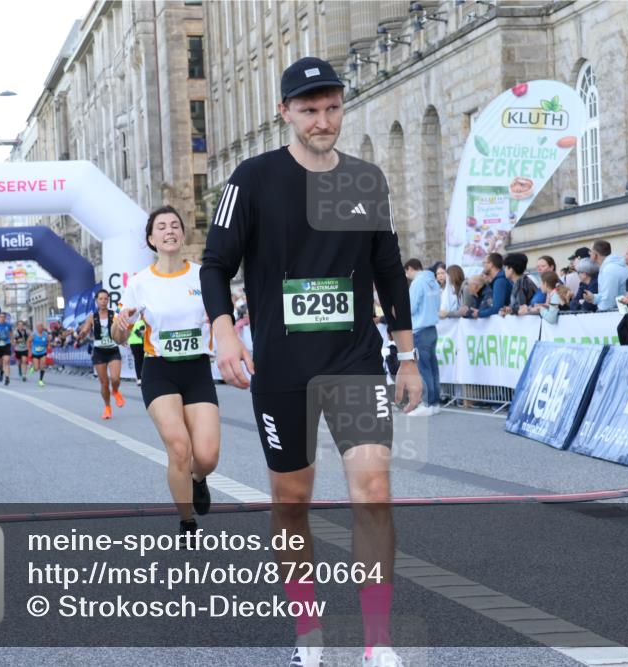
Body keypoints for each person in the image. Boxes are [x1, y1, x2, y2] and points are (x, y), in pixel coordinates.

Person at [200, 56, 419, 667]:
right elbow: (215, 263)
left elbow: (387, 273)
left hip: (353, 361)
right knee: (291, 503)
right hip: (285, 369)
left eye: (332, 108)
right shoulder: (253, 178)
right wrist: (225, 332)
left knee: (373, 490)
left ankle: (377, 642)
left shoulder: (364, 181)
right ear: (285, 113)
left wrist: (406, 357)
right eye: (309, 110)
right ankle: (309, 633)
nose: (324, 121)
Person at [113, 205, 220, 538]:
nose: (169, 230)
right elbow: (119, 335)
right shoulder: (140, 283)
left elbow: (221, 317)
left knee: (207, 456)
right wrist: (122, 323)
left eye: (175, 225)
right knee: (178, 447)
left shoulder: (203, 275)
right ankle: (187, 521)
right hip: (159, 370)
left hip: (198, 369)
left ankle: (198, 478)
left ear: (182, 234)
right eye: (161, 227)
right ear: (151, 239)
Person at [78, 289, 125, 419]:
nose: (103, 301)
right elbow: (86, 329)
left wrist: (123, 339)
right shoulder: (92, 317)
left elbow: (121, 330)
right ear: (96, 301)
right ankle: (107, 407)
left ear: (108, 300)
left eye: (105, 299)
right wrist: (82, 333)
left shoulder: (114, 315)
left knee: (115, 378)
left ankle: (115, 391)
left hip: (113, 350)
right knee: (104, 383)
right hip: (99, 352)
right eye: (101, 299)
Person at [405, 258, 441, 416]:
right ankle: (434, 402)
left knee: (423, 368)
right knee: (433, 368)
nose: (407, 276)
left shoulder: (417, 283)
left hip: (420, 328)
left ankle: (426, 403)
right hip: (432, 327)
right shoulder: (432, 281)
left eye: (407, 272)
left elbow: (411, 308)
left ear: (411, 268)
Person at [584, 240, 628, 310]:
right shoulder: (608, 267)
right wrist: (593, 298)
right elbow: (606, 295)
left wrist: (600, 315)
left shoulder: (609, 270)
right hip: (621, 313)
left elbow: (608, 301)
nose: (589, 254)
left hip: (619, 316)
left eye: (590, 251)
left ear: (595, 254)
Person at [471, 252, 511, 318]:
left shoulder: (499, 281)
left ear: (491, 264)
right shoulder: (496, 281)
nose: (483, 266)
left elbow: (497, 308)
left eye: (484, 263)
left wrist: (480, 313)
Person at [128, 318, 147, 387]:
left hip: (143, 343)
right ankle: (139, 378)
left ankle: (142, 378)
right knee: (138, 360)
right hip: (135, 343)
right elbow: (130, 331)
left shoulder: (144, 319)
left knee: (142, 361)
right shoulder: (132, 320)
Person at [31, 322, 50, 386]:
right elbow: (28, 341)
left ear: (42, 327)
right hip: (35, 353)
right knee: (36, 368)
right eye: (38, 327)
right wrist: (29, 350)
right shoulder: (34, 334)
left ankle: (41, 380)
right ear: (36, 328)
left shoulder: (45, 334)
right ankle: (33, 368)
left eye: (41, 327)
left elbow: (48, 340)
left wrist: (49, 346)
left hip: (43, 352)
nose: (40, 328)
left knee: (43, 366)